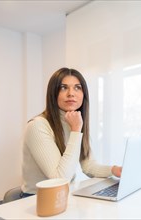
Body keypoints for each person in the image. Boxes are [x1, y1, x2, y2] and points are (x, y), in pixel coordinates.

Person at [20, 67, 122, 197]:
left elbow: (88, 165)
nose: (71, 93)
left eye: (77, 87)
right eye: (63, 87)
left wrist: (114, 170)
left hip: (63, 195)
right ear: (53, 93)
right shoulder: (37, 126)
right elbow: (59, 178)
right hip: (36, 200)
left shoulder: (74, 121)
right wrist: (76, 130)